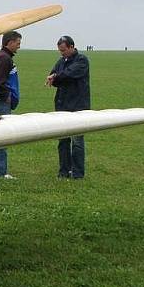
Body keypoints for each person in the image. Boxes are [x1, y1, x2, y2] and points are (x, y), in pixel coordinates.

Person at [45, 35, 91, 179]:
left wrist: (56, 77)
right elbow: (55, 77)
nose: (62, 53)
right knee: (63, 141)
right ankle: (63, 171)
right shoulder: (61, 61)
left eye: (64, 50)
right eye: (60, 51)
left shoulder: (82, 60)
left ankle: (77, 173)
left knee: (77, 142)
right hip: (62, 106)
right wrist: (55, 78)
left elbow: (70, 74)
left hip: (78, 107)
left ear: (72, 47)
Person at [0, 31, 21, 179]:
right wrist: (7, 97)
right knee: (2, 136)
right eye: (18, 43)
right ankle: (0, 172)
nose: (19, 47)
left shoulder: (2, 56)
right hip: (1, 103)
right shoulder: (4, 59)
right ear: (10, 42)